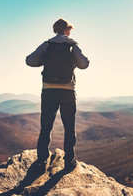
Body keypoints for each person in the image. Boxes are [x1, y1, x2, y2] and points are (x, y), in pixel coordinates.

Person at [26, 18, 89, 170]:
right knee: (69, 127)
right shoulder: (72, 45)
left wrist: (45, 60)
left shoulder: (47, 44)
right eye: (69, 29)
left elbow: (30, 60)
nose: (69, 32)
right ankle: (69, 161)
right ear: (67, 30)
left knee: (46, 126)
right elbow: (84, 64)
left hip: (48, 90)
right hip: (67, 91)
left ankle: (41, 160)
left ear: (55, 29)